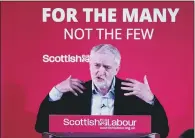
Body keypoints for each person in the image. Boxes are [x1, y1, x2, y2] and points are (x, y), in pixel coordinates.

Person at [35, 44, 169, 138]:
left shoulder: (132, 93)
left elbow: (162, 131)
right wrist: (56, 91)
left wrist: (151, 99)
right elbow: (41, 126)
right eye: (97, 65)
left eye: (107, 67)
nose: (101, 71)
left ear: (117, 69)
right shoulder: (75, 92)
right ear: (89, 65)